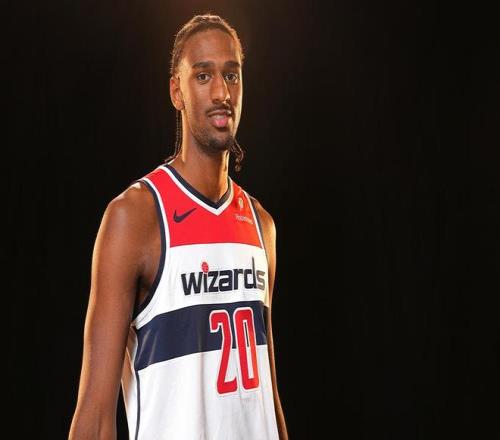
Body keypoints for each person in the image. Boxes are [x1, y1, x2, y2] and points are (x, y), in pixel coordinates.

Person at [69, 14, 288, 440]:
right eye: (203, 76)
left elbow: (267, 391)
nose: (222, 93)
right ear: (177, 91)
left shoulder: (261, 225)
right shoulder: (136, 217)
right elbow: (94, 417)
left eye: (232, 75)